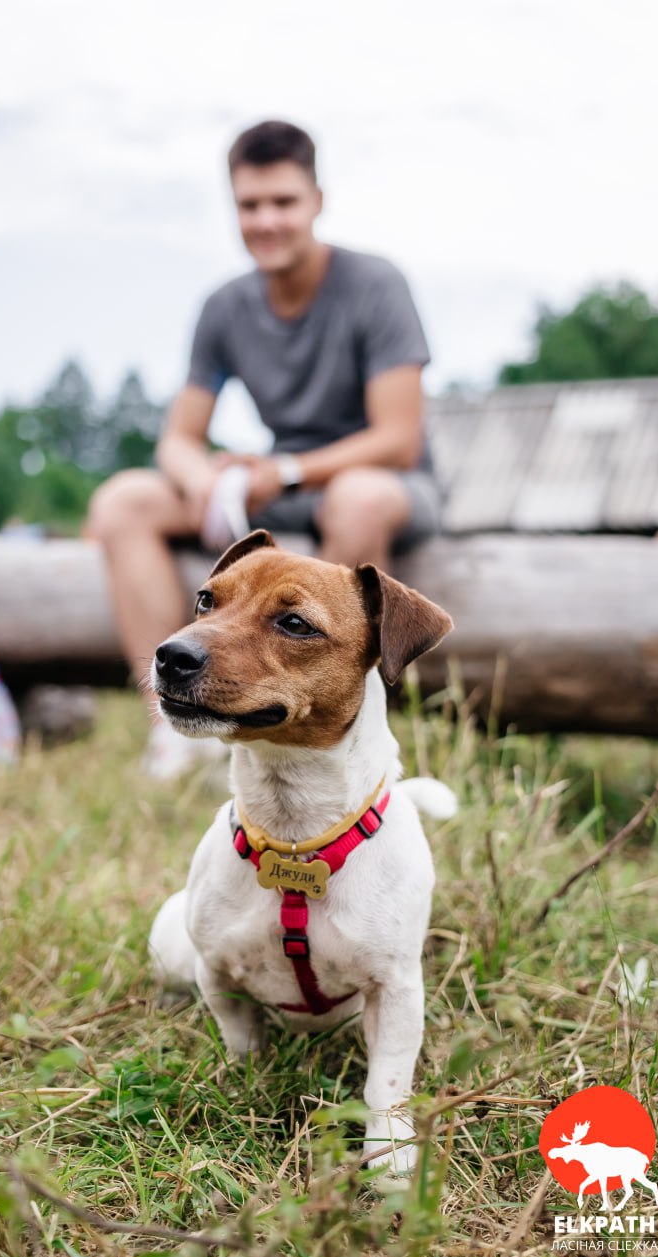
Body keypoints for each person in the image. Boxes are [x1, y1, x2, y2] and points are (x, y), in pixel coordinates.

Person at [86, 120, 440, 779]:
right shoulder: (224, 306)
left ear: (316, 200)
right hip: (283, 483)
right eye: (250, 205)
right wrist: (201, 480)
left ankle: (334, 732)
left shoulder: (374, 286)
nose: (266, 220)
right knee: (124, 500)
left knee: (357, 497)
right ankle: (173, 728)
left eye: (283, 202)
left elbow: (397, 437)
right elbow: (178, 438)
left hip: (382, 480)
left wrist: (283, 469)